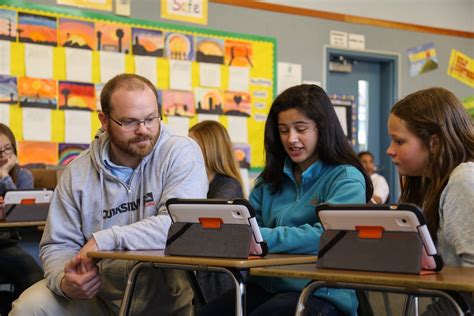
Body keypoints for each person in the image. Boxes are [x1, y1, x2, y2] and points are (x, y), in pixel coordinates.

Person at [10, 74, 208, 315]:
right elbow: (58, 244)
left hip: (163, 304)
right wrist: (65, 281)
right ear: (104, 120)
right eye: (129, 122)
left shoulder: (180, 152)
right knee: (28, 307)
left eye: (150, 119)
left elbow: (180, 225)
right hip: (96, 299)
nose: (143, 130)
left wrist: (105, 240)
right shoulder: (78, 172)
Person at [199, 84, 373, 316]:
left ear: (322, 128)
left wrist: (260, 237)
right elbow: (249, 228)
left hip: (321, 291)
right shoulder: (269, 179)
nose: (291, 139)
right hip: (265, 284)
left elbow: (330, 236)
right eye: (283, 130)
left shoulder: (345, 177)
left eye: (301, 129)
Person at [387, 87, 474, 315]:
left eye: (399, 141)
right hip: (452, 303)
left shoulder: (462, 180)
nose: (389, 150)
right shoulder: (430, 183)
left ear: (433, 143)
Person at [189, 120, 244, 304]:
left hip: (219, 280)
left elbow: (205, 229)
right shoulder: (197, 183)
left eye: (193, 145)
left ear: (210, 149)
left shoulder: (228, 186)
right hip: (203, 272)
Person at [0, 123, 43, 315]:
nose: (2, 155)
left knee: (35, 276)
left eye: (7, 149)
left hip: (7, 244)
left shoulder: (23, 176)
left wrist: (4, 176)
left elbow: (20, 212)